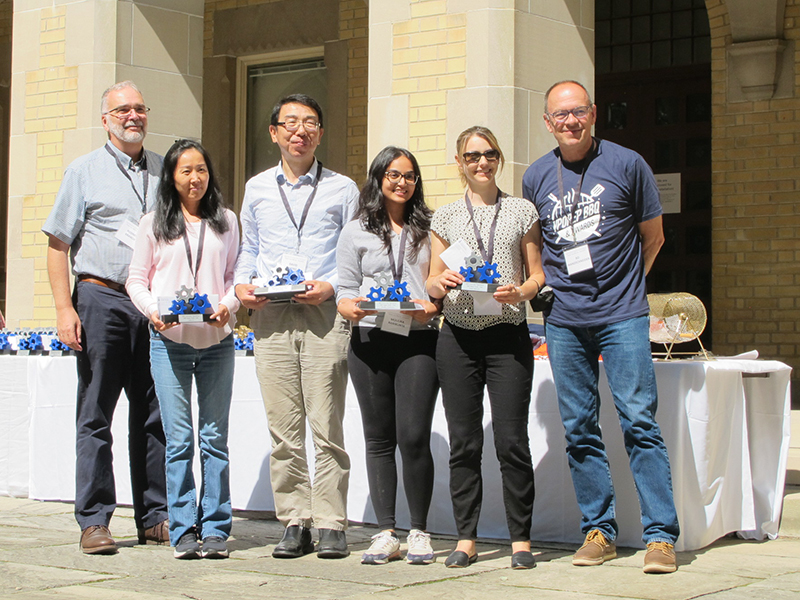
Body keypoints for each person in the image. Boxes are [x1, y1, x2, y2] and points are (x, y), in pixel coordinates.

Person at [522, 80, 680, 574]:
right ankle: (600, 530)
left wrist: (627, 290)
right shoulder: (536, 177)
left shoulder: (627, 164)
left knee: (640, 422)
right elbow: (538, 249)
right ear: (547, 123)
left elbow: (651, 238)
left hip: (622, 315)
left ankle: (660, 537)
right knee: (579, 427)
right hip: (564, 320)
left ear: (592, 114)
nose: (569, 121)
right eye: (559, 115)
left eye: (577, 112)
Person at [42, 81, 168, 554]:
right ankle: (94, 521)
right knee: (96, 413)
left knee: (155, 413)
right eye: (122, 110)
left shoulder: (163, 170)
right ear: (106, 119)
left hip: (151, 304)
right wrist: (63, 308)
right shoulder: (84, 171)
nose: (132, 116)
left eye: (139, 108)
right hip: (101, 299)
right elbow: (58, 244)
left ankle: (155, 517)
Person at [234, 94, 358, 559]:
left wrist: (331, 287)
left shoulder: (343, 188)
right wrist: (242, 286)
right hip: (270, 315)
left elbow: (353, 255)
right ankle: (294, 520)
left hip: (324, 315)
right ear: (274, 132)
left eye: (309, 123)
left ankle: (331, 522)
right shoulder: (256, 188)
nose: (298, 131)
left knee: (327, 423)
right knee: (283, 426)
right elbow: (249, 248)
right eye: (289, 123)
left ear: (320, 133)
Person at [426, 126, 544, 570]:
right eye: (472, 156)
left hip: (507, 335)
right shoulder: (446, 217)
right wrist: (440, 281)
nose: (481, 162)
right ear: (459, 161)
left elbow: (538, 274)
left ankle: (520, 541)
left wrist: (523, 290)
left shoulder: (520, 210)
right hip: (457, 336)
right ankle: (466, 538)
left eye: (489, 154)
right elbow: (432, 280)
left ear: (499, 158)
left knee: (512, 441)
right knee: (465, 442)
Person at [126, 140, 240, 560]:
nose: (195, 178)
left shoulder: (225, 220)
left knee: (213, 438)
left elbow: (234, 275)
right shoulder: (154, 223)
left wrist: (227, 307)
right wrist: (155, 311)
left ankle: (215, 528)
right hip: (169, 343)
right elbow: (135, 280)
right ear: (171, 177)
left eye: (202, 170)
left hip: (215, 343)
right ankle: (182, 528)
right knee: (178, 440)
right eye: (186, 171)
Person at [336, 147, 440, 565]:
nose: (402, 182)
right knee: (378, 439)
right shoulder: (355, 230)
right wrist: (352, 307)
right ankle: (386, 532)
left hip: (418, 338)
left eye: (410, 176)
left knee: (413, 436)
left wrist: (432, 306)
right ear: (379, 178)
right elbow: (344, 291)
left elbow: (439, 287)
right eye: (394, 174)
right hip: (369, 340)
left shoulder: (430, 228)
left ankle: (419, 531)